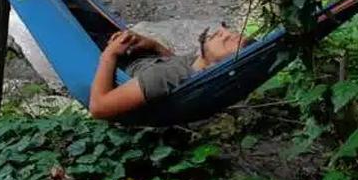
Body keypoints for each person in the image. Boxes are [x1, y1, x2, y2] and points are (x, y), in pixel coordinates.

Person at [88, 24, 249, 120]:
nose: (223, 31)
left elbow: (98, 108)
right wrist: (152, 45)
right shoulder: (199, 67)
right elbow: (174, 63)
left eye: (230, 40)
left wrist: (110, 54)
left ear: (228, 64)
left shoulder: (164, 78)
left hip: (106, 62)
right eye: (231, 30)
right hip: (134, 53)